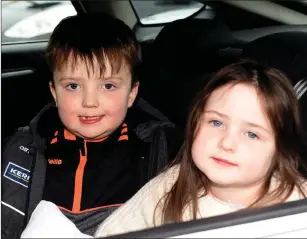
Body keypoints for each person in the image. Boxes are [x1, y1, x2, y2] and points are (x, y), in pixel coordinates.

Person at [20, 59, 307, 238]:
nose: (227, 143)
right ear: (194, 124)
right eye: (216, 123)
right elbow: (113, 233)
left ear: (281, 148)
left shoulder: (297, 207)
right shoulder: (171, 185)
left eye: (252, 134)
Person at [1, 13, 181, 239]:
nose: (89, 102)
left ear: (131, 93)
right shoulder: (20, 150)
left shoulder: (164, 151)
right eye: (73, 86)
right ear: (54, 92)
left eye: (108, 86)